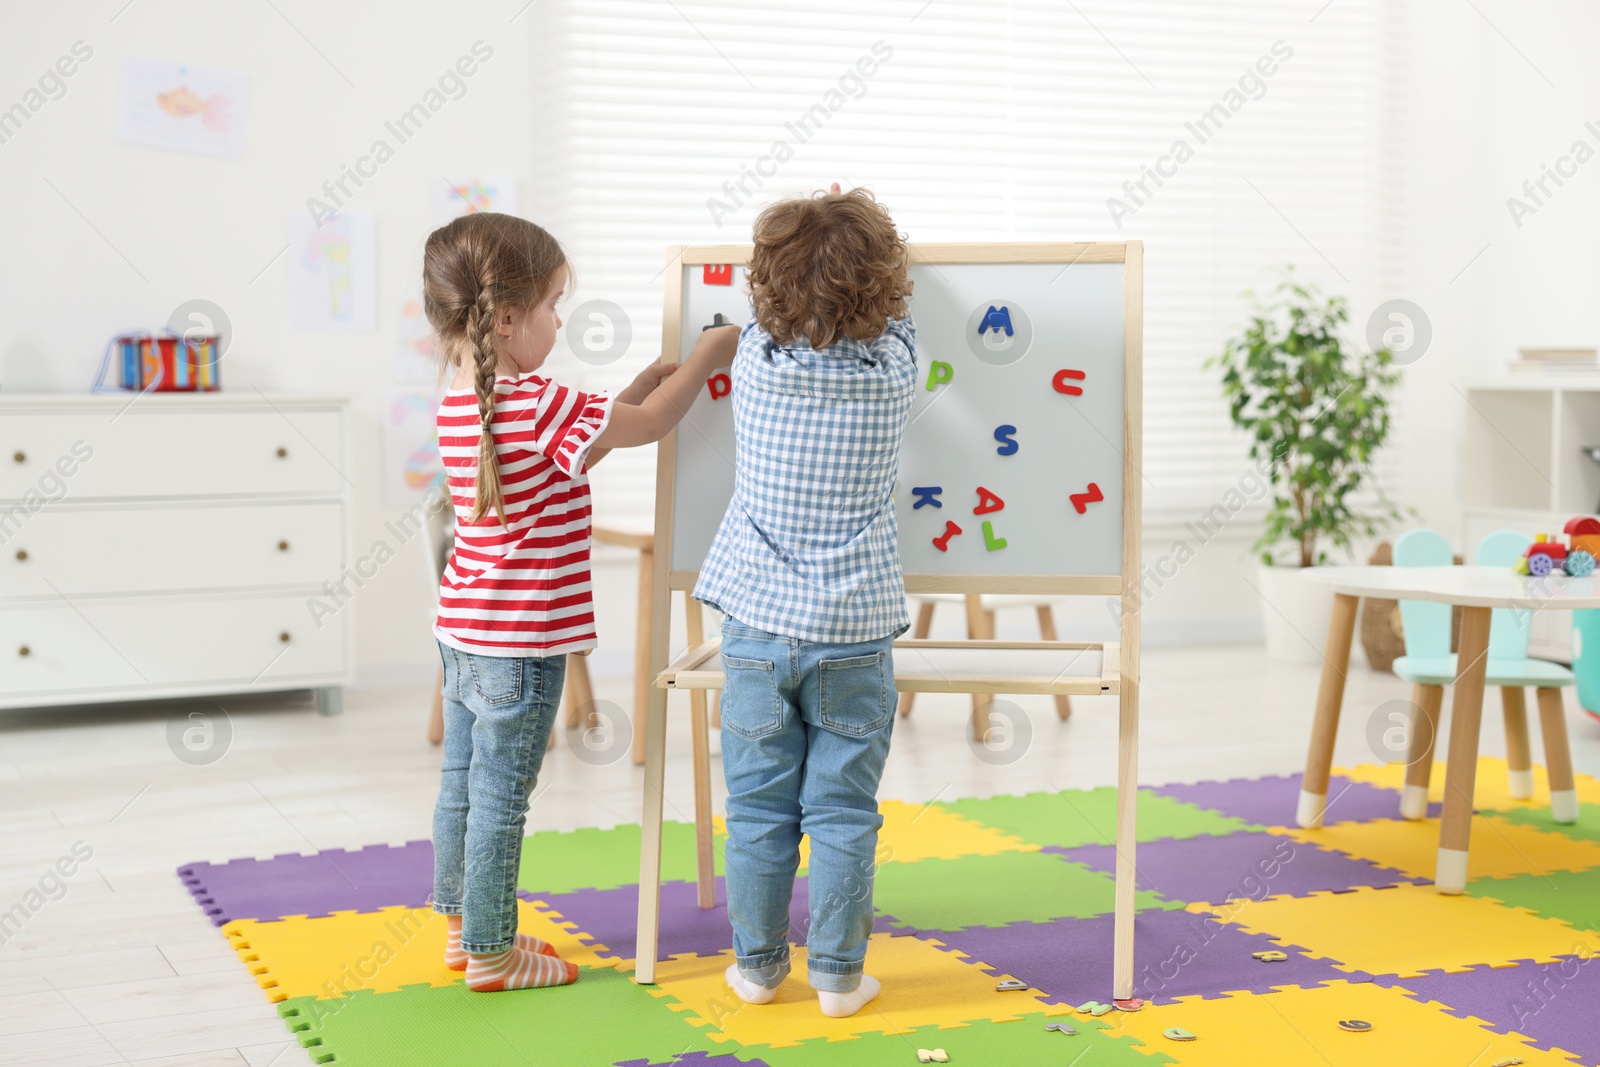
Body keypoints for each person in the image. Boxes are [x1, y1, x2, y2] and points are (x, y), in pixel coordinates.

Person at [423, 212, 737, 991]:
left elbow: (593, 437)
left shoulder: (463, 397)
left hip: (463, 633)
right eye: (554, 304)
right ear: (505, 316)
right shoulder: (538, 400)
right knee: (502, 797)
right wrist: (709, 353)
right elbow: (657, 425)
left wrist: (635, 387)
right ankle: (495, 953)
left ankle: (466, 930)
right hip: (523, 646)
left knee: (463, 784)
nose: (560, 321)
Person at [694, 187, 916, 1017]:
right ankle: (837, 975)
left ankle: (756, 969)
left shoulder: (754, 360)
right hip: (854, 634)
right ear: (884, 289)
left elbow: (761, 313)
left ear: (768, 291)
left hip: (757, 629)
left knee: (757, 806)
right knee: (844, 809)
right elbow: (901, 315)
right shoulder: (895, 371)